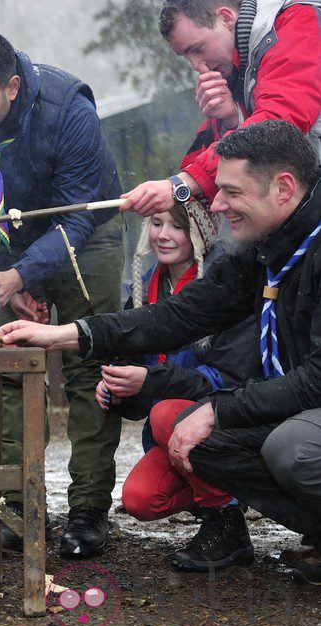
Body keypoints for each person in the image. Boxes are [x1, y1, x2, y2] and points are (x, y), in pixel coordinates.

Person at [0, 120, 321, 585]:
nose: (219, 205)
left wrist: (219, 408)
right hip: (300, 406)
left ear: (283, 187)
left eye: (230, 192)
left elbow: (317, 378)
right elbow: (180, 316)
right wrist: (66, 335)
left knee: (291, 448)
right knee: (204, 442)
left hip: (312, 409)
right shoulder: (268, 246)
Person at [0, 30, 125, 557]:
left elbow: (76, 215)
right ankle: (16, 504)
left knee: (87, 364)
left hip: (85, 232)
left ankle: (88, 509)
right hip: (2, 246)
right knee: (12, 368)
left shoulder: (69, 109)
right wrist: (2, 280)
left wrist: (24, 274)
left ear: (11, 86)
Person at [104, 199, 260, 570]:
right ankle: (217, 499)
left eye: (177, 226)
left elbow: (226, 381)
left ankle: (227, 517)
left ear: (200, 232)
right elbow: (138, 390)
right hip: (169, 428)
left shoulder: (226, 287)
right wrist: (118, 390)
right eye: (156, 224)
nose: (163, 235)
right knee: (141, 498)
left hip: (228, 421)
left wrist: (149, 382)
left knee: (163, 413)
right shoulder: (144, 291)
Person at [120, 0, 321, 217]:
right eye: (186, 56)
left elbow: (277, 126)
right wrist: (233, 118)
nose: (196, 65)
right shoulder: (241, 64)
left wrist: (181, 185)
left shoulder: (298, 20)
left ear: (226, 18)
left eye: (197, 49)